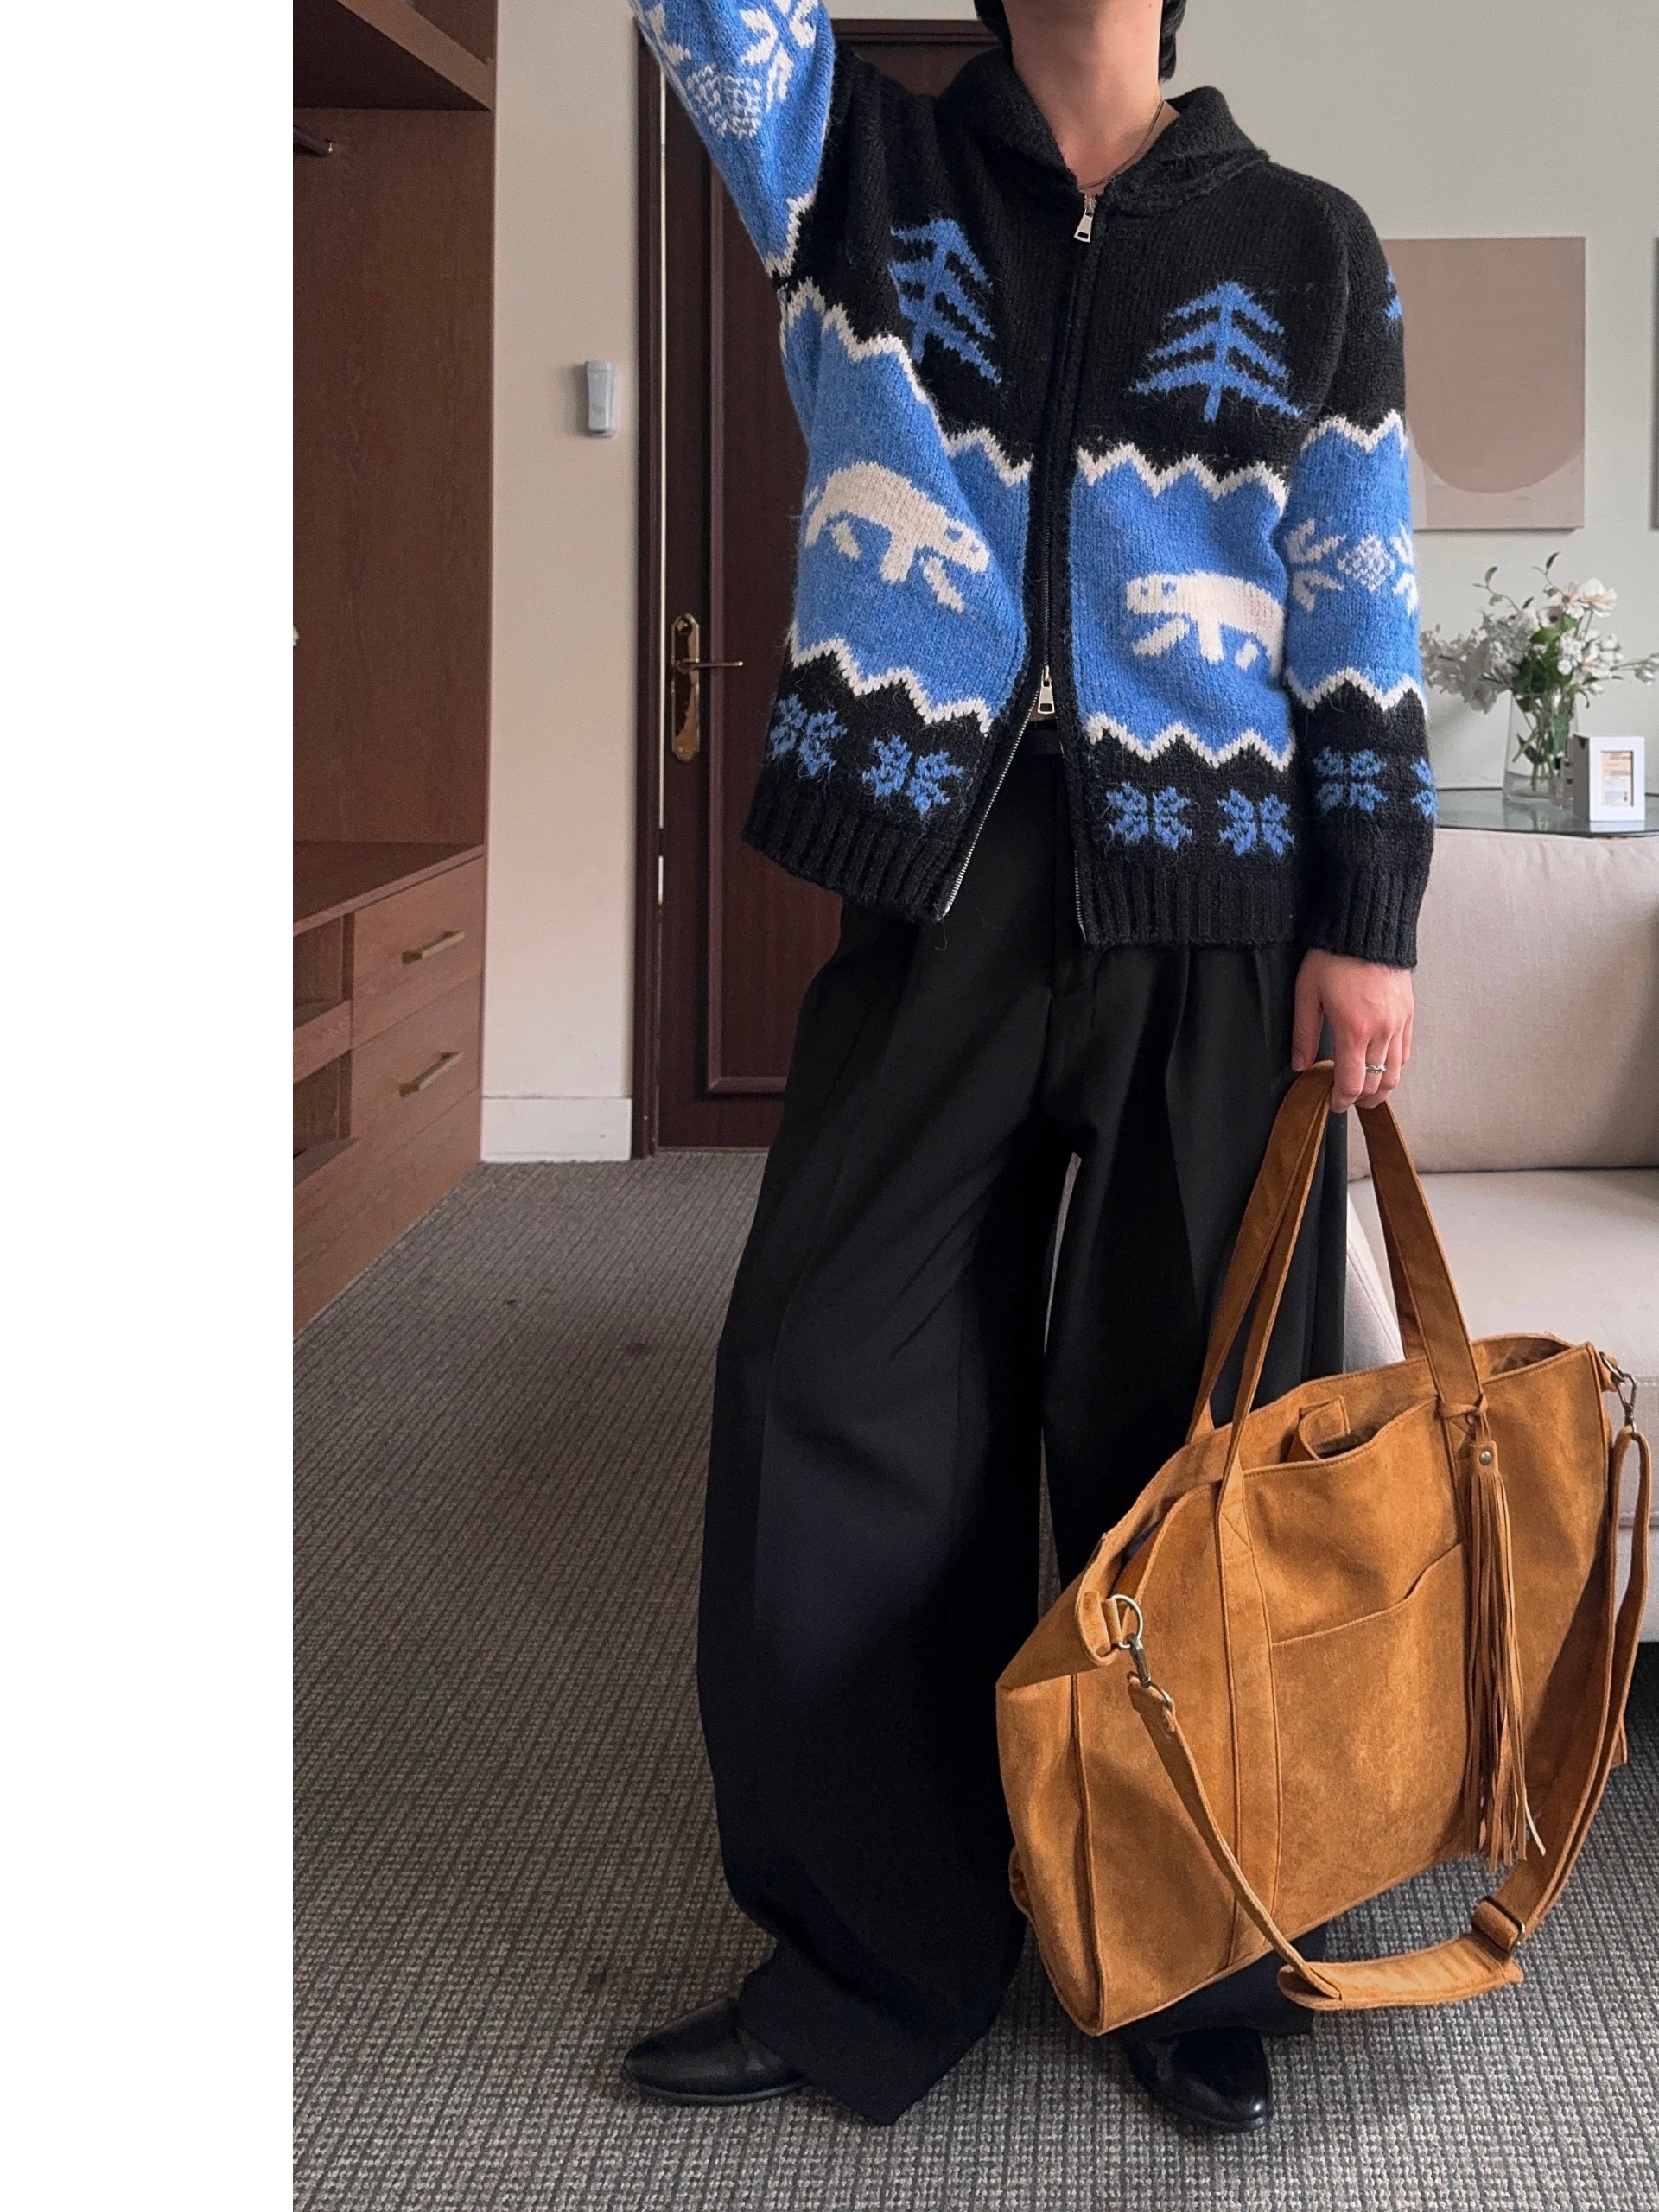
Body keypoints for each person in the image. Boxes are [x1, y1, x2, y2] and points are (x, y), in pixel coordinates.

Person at [622, 0, 1430, 2134]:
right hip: (940, 890)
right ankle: (872, 1956)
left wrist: (1372, 909)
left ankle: (1192, 1947)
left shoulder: (1314, 246)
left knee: (1196, 1441)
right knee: (824, 1382)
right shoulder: (851, 167)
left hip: (1223, 909)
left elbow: (1357, 597)